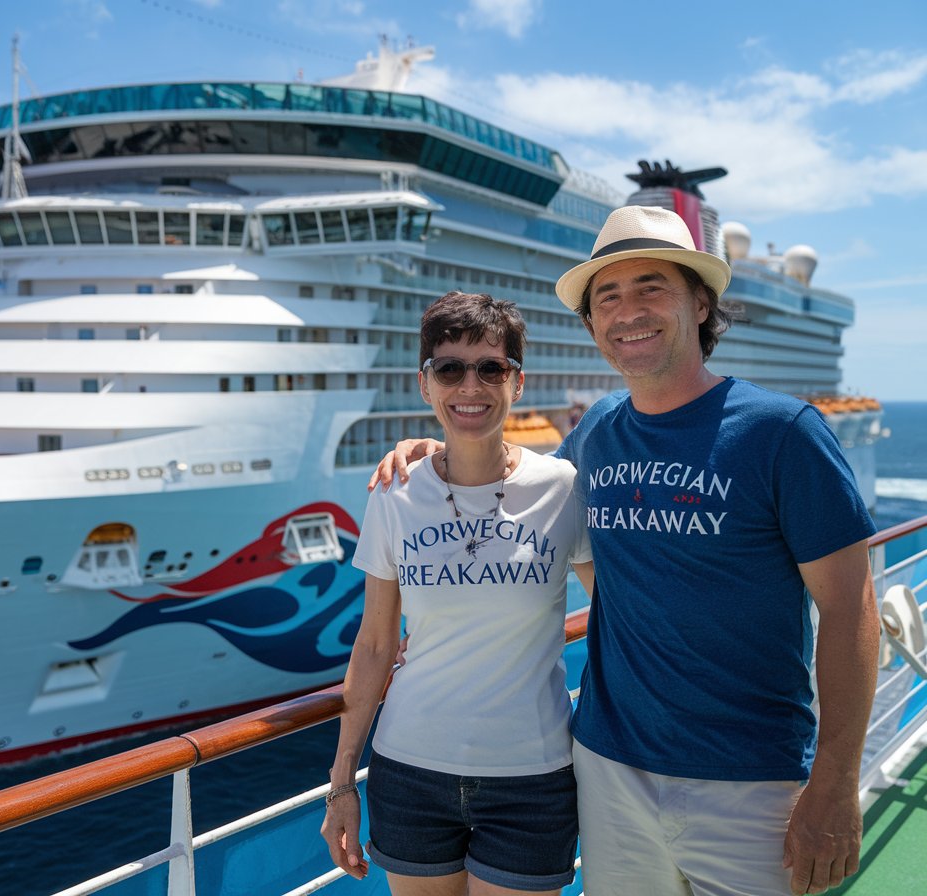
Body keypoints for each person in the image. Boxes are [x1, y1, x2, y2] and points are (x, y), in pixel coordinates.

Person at [370, 206, 881, 896]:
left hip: (749, 779)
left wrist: (836, 783)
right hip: (609, 770)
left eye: (651, 287)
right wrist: (438, 451)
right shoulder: (601, 430)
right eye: (607, 296)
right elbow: (515, 481)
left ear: (701, 303)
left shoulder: (781, 432)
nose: (627, 310)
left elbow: (851, 610)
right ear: (591, 325)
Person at [322, 290, 593, 895]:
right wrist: (342, 781)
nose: (470, 386)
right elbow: (372, 646)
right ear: (426, 385)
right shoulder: (393, 492)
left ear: (516, 383)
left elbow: (618, 617)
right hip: (410, 771)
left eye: (490, 368)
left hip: (533, 776)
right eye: (450, 369)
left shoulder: (562, 487)